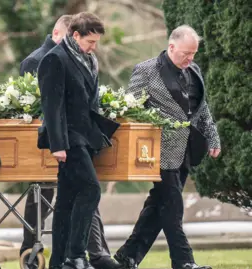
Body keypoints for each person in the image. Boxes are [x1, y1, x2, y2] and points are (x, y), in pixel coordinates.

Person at [113, 25, 220, 269]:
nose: (190, 58)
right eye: (186, 53)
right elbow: (132, 110)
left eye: (193, 54)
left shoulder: (194, 70)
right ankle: (183, 262)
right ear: (171, 47)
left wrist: (213, 137)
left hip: (186, 150)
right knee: (172, 205)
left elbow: (202, 109)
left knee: (158, 205)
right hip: (156, 152)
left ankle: (127, 256)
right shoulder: (146, 70)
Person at [19, 15, 121, 269]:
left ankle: (58, 261)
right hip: (68, 139)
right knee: (91, 189)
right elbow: (52, 107)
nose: (93, 47)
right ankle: (76, 255)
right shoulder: (55, 58)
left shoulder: (88, 59)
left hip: (85, 137)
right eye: (90, 41)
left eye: (96, 42)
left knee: (65, 200)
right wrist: (58, 144)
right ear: (75, 36)